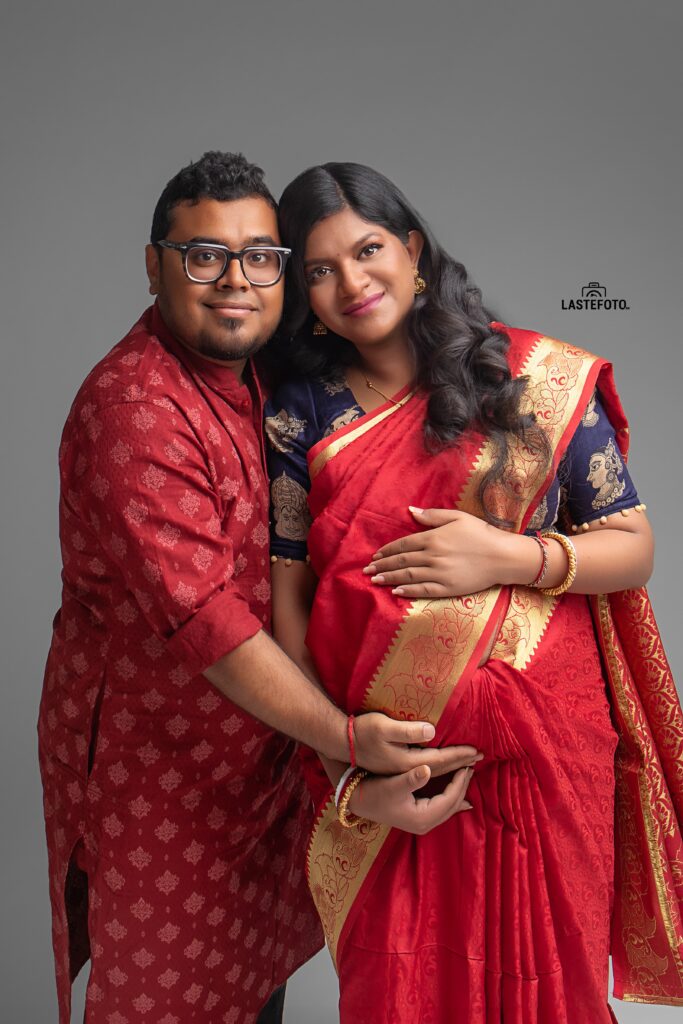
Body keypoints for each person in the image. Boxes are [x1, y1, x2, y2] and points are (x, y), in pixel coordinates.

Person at [37, 152, 475, 1024]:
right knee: (169, 1000)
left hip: (268, 765)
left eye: (261, 257)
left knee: (255, 993)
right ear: (155, 264)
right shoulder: (134, 407)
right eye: (204, 255)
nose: (234, 281)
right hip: (159, 782)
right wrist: (352, 746)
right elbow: (211, 626)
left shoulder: (268, 378)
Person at [266, 161, 683, 1022]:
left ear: (413, 250)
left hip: (546, 756)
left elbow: (631, 546)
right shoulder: (297, 411)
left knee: (550, 990)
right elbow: (288, 605)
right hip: (392, 768)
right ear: (302, 292)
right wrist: (350, 769)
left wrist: (505, 556)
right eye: (318, 268)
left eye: (369, 248)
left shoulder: (529, 377)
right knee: (399, 989)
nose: (351, 282)